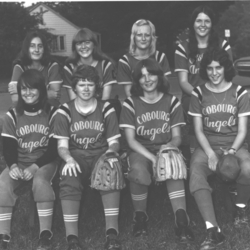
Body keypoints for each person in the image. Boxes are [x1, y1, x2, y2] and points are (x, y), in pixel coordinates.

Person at [119, 58, 194, 243]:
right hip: (140, 149)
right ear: (137, 80)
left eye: (151, 74)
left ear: (159, 76)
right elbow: (131, 140)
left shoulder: (171, 101)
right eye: (142, 76)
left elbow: (177, 136)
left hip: (164, 146)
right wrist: (153, 158)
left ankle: (181, 219)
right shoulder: (130, 103)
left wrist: (169, 148)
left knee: (172, 163)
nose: (147, 79)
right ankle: (140, 218)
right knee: (138, 171)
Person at [53, 65, 122, 250]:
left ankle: (112, 235)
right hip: (77, 157)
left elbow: (114, 141)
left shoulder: (106, 108)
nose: (85, 88)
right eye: (81, 84)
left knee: (111, 168)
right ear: (74, 87)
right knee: (69, 174)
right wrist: (68, 159)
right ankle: (72, 239)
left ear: (96, 87)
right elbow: (62, 147)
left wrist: (110, 153)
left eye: (90, 84)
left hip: (101, 155)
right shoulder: (64, 111)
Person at [188, 48, 250, 250]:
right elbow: (198, 130)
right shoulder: (198, 93)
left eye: (218, 67)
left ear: (226, 68)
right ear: (205, 70)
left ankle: (240, 209)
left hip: (234, 144)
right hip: (207, 144)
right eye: (210, 68)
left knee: (248, 168)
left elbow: (242, 130)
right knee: (196, 171)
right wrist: (210, 153)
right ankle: (213, 229)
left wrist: (232, 151)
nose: (214, 72)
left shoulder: (239, 92)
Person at [0, 69, 58, 250]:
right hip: (20, 161)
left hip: (45, 161)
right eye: (23, 89)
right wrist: (13, 166)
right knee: (3, 183)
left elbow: (54, 148)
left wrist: (35, 166)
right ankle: (4, 234)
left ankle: (45, 234)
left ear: (41, 89)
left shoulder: (52, 112)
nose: (27, 93)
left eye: (32, 88)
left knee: (40, 182)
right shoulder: (12, 115)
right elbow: (8, 146)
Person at [175, 5, 233, 153]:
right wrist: (201, 95)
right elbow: (183, 82)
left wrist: (214, 95)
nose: (202, 25)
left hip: (220, 93)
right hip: (193, 94)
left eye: (206, 21)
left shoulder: (222, 45)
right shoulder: (184, 48)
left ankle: (226, 147)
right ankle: (195, 151)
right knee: (191, 104)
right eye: (198, 20)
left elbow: (228, 75)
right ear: (193, 23)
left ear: (212, 23)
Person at [117, 19, 171, 97]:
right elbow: (129, 94)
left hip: (159, 102)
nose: (143, 38)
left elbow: (165, 87)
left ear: (152, 37)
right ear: (133, 37)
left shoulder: (160, 57)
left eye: (147, 35)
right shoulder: (125, 61)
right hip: (137, 104)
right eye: (139, 35)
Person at [8, 30, 63, 107]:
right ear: (26, 49)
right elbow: (15, 99)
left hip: (48, 109)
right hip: (26, 111)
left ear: (44, 49)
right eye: (32, 46)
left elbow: (54, 96)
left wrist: (26, 94)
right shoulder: (19, 67)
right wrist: (46, 93)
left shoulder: (52, 66)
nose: (36, 50)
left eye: (40, 46)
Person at [63, 28, 116, 101]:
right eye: (79, 43)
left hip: (101, 109)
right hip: (78, 110)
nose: (83, 46)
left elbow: (105, 98)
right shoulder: (70, 68)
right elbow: (73, 100)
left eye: (87, 42)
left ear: (94, 45)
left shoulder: (105, 65)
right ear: (74, 47)